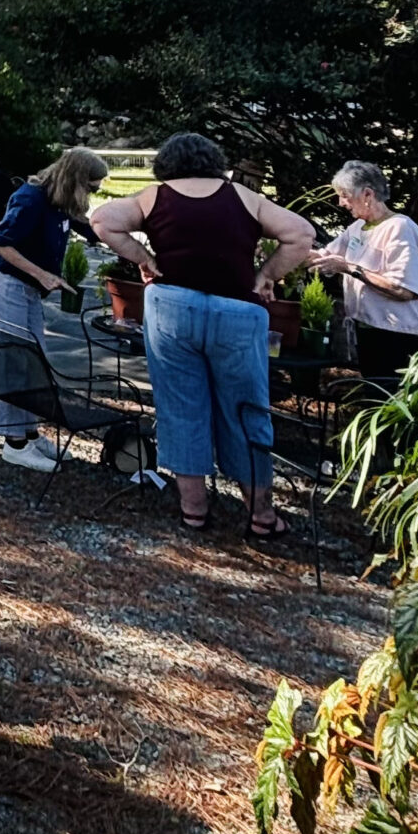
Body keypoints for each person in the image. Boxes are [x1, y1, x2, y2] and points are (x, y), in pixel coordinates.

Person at [90, 132, 314, 537]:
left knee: (181, 407)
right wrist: (265, 276)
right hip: (237, 312)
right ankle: (261, 515)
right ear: (214, 161)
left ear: (167, 164)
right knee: (246, 410)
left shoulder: (154, 196)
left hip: (173, 307)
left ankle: (194, 510)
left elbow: (102, 220)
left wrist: (145, 259)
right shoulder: (245, 198)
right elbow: (301, 234)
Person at [0, 149, 109, 470]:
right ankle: (13, 442)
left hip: (27, 288)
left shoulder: (57, 200)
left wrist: (124, 243)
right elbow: (0, 242)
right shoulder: (32, 198)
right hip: (7, 283)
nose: (93, 194)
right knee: (14, 358)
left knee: (36, 359)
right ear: (75, 179)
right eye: (91, 187)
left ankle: (30, 432)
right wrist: (43, 274)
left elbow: (85, 225)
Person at [313, 160, 418, 384]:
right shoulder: (358, 228)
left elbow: (403, 289)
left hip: (398, 336)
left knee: (388, 400)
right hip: (370, 331)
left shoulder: (400, 228)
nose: (341, 203)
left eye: (345, 195)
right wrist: (280, 251)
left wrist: (350, 268)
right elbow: (323, 256)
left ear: (367, 194)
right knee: (373, 394)